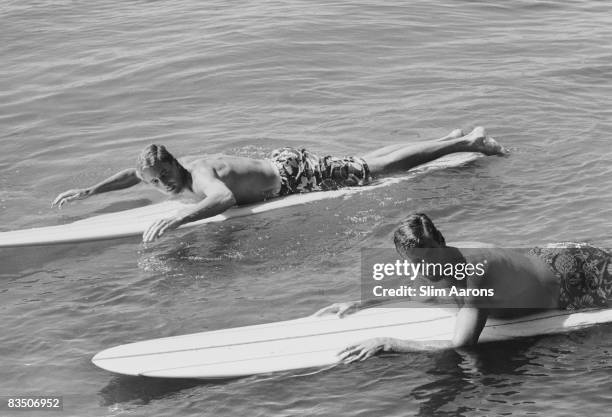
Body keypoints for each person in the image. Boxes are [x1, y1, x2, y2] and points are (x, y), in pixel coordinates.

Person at [52, 127, 505, 242]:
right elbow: (132, 174)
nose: (164, 186)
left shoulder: (199, 175)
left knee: (379, 168)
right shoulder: (156, 169)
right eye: (158, 182)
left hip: (295, 174)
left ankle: (469, 142)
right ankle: (451, 139)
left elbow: (223, 198)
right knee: (376, 161)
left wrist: (178, 217)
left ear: (175, 163)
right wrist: (91, 192)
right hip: (280, 164)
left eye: (167, 178)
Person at [316, 213, 612, 363]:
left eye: (427, 258)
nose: (422, 268)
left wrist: (388, 343)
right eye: (413, 262)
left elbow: (461, 345)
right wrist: (359, 303)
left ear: (442, 242)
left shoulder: (473, 271)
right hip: (544, 257)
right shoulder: (434, 264)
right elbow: (421, 290)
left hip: (576, 278)